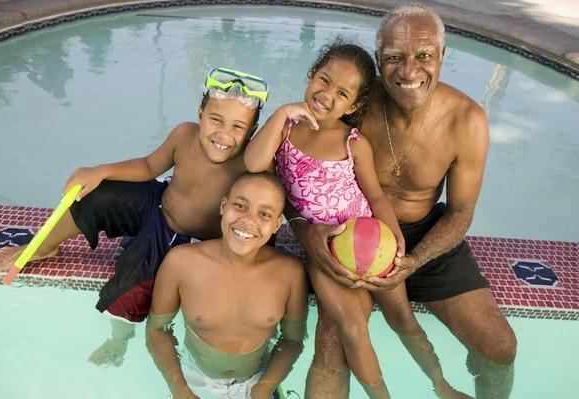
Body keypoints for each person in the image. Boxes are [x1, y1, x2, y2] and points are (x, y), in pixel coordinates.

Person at [288, 5, 517, 399]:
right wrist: (307, 233)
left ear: (442, 56)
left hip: (425, 236)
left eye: (424, 55)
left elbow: (461, 212)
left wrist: (416, 258)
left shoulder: (467, 121)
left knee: (500, 348)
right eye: (394, 57)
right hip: (348, 232)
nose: (409, 71)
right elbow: (294, 171)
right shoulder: (354, 100)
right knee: (331, 347)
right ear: (379, 61)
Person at [0, 67, 273, 367]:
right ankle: (47, 245)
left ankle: (119, 339)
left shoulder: (253, 164)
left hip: (190, 242)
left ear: (252, 132)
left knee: (130, 287)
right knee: (98, 194)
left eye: (237, 127)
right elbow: (150, 166)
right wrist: (101, 171)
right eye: (216, 119)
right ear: (201, 114)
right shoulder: (184, 134)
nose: (223, 135)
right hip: (158, 203)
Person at [245, 40, 467, 398]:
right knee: (351, 327)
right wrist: (281, 113)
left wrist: (397, 249)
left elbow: (376, 196)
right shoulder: (286, 131)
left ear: (355, 104)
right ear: (310, 75)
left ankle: (440, 384)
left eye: (342, 92)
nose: (327, 95)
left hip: (373, 242)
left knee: (404, 320)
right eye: (323, 80)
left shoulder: (354, 143)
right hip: (328, 251)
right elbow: (254, 165)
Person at [146, 171, 308, 399]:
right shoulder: (181, 262)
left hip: (260, 378)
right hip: (195, 377)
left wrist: (263, 388)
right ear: (224, 206)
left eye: (264, 214)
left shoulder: (290, 272)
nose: (248, 220)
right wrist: (179, 388)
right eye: (240, 206)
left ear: (276, 225)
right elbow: (157, 331)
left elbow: (292, 340)